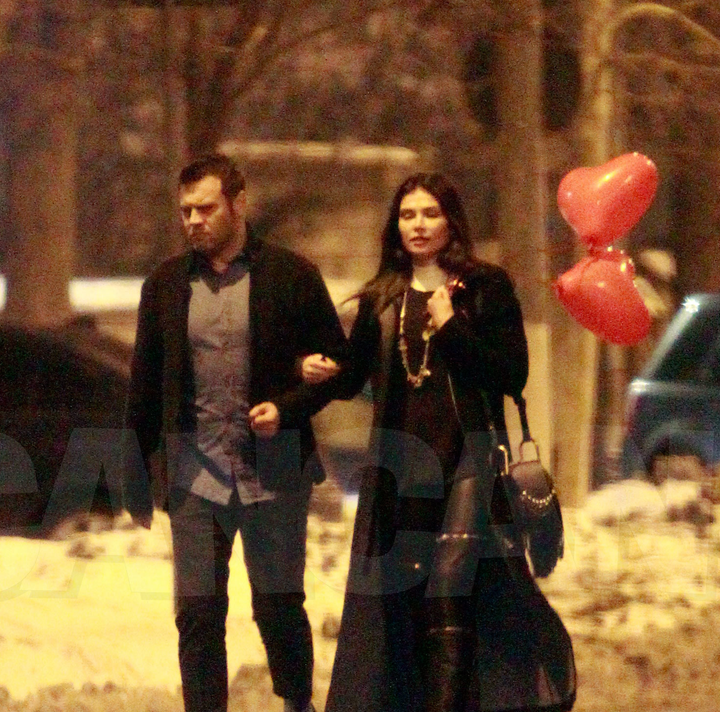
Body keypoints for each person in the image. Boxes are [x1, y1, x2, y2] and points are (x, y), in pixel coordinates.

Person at [305, 173, 576, 712]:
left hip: (468, 464)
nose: (418, 225)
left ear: (451, 221)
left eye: (430, 213)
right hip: (402, 473)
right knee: (405, 603)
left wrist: (451, 327)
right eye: (408, 215)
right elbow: (354, 376)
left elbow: (510, 373)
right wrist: (320, 377)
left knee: (448, 589)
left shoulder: (485, 288)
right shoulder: (383, 298)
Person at [123, 154, 348, 712]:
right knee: (197, 614)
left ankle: (297, 701)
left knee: (278, 606)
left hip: (272, 475)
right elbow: (145, 383)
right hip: (195, 476)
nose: (194, 221)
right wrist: (137, 471)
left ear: (238, 204)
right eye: (185, 211)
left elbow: (338, 366)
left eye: (205, 209)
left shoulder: (292, 276)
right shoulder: (166, 285)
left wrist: (289, 407)